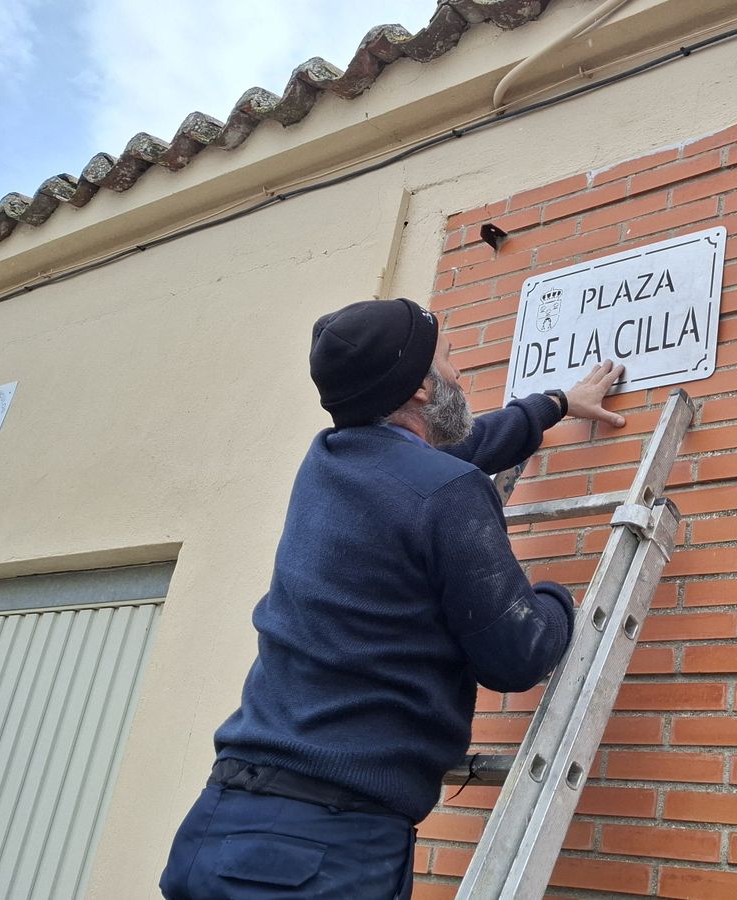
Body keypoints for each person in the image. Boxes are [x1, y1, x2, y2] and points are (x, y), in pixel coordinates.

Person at [160, 297, 625, 900]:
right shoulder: (444, 491)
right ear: (424, 391)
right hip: (322, 851)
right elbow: (518, 654)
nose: (461, 373)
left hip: (218, 824)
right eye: (452, 361)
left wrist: (554, 405)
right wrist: (559, 599)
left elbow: (456, 450)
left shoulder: (327, 464)